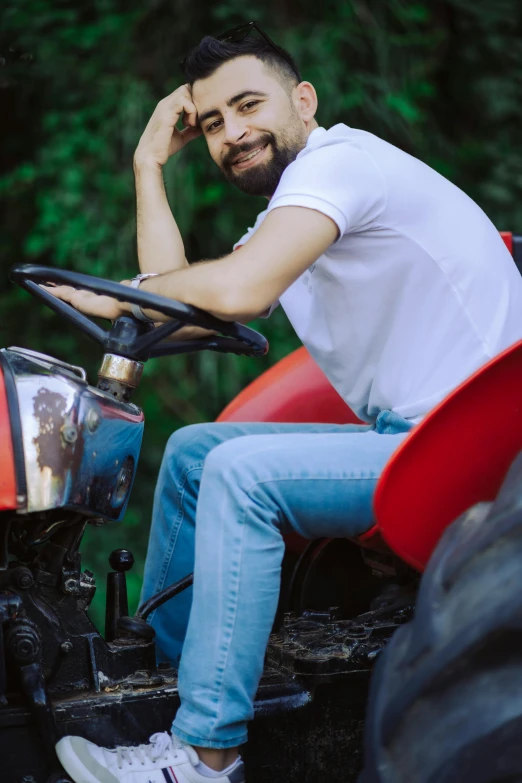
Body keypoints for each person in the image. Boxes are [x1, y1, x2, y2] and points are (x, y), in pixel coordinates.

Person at [51, 25, 522, 783]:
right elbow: (180, 298)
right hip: (415, 436)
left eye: (247, 106)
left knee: (243, 474)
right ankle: (164, 698)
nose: (233, 133)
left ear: (303, 100)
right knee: (197, 451)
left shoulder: (342, 164)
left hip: (476, 445)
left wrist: (122, 298)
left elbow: (235, 290)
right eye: (211, 123)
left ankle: (205, 756)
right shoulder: (292, 216)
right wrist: (147, 165)